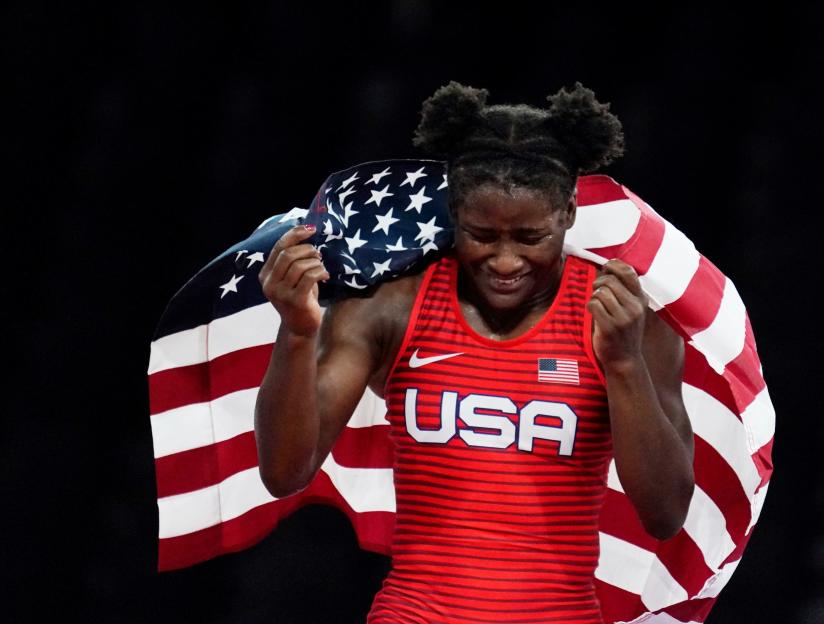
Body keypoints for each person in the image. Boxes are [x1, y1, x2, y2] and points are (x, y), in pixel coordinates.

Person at [254, 81, 695, 624]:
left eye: (530, 237)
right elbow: (284, 472)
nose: (505, 261)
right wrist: (297, 334)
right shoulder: (390, 308)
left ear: (570, 212)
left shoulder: (627, 320)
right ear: (453, 212)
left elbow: (665, 514)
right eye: (481, 234)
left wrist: (624, 363)